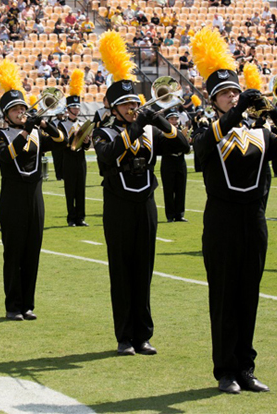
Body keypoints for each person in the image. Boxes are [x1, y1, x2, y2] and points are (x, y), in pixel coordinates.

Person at [188, 27, 277, 394]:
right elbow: (202, 151)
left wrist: (271, 110)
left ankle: (246, 369)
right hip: (221, 221)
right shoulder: (207, 127)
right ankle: (224, 370)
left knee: (248, 296)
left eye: (235, 92)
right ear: (214, 101)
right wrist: (237, 112)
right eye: (224, 95)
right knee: (223, 296)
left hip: (253, 221)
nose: (232, 98)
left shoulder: (260, 133)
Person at [88, 31, 189, 354]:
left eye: (135, 103)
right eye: (127, 105)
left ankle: (143, 335)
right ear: (114, 109)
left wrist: (157, 118)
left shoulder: (147, 127)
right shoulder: (102, 132)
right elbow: (108, 156)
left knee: (144, 270)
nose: (133, 108)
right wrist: (135, 125)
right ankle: (124, 336)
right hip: (118, 206)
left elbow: (182, 145)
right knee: (121, 271)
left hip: (145, 204)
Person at [0, 59, 55, 319]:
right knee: (13, 253)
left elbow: (61, 142)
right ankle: (12, 305)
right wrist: (26, 132)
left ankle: (28, 304)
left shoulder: (36, 133)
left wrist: (45, 125)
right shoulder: (1, 135)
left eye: (22, 109)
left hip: (35, 200)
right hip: (12, 200)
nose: (20, 113)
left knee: (32, 253)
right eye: (15, 110)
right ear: (6, 114)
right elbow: (7, 157)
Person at [56, 69, 91, 226]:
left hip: (80, 159)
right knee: (70, 190)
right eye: (74, 108)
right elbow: (62, 144)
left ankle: (81, 217)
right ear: (68, 108)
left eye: (78, 108)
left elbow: (86, 146)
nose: (76, 110)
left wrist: (86, 140)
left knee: (81, 189)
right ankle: (71, 217)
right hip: (68, 159)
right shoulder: (62, 124)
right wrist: (75, 137)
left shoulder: (80, 123)